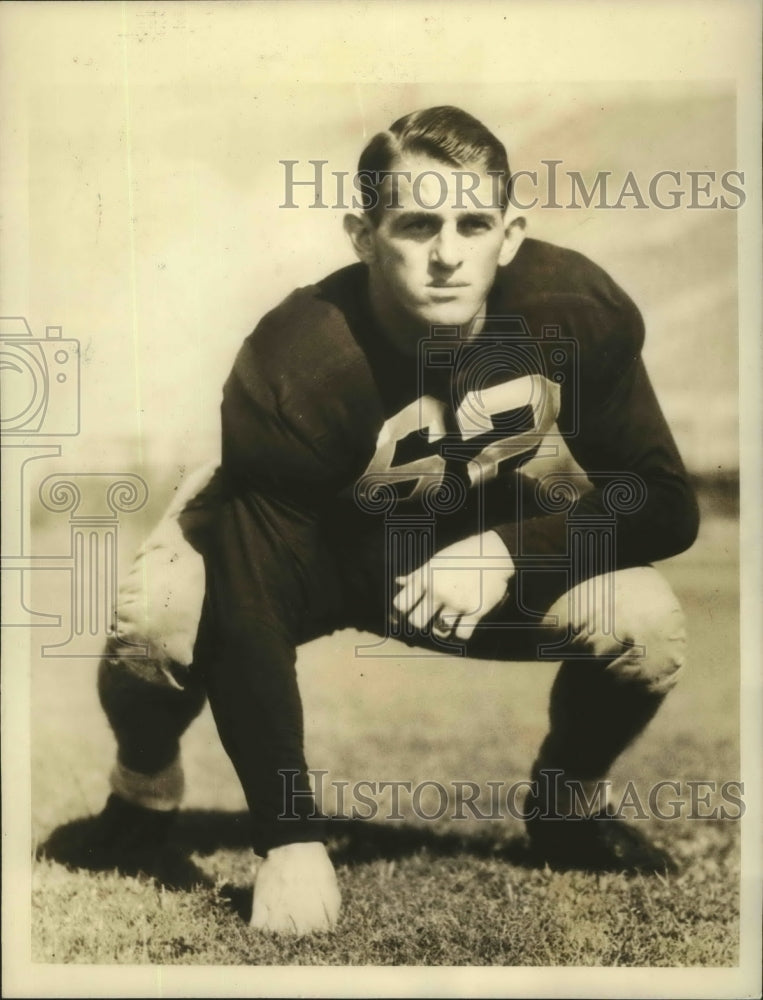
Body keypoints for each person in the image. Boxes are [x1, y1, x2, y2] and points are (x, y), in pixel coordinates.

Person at [96, 106, 699, 935]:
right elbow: (254, 596)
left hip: (459, 553)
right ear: (363, 234)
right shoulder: (294, 360)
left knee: (644, 626)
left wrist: (506, 551)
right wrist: (289, 834)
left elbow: (661, 499)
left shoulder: (574, 312)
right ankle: (141, 790)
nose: (448, 254)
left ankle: (565, 805)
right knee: (159, 622)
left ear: (510, 232)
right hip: (306, 554)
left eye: (472, 223)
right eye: (416, 224)